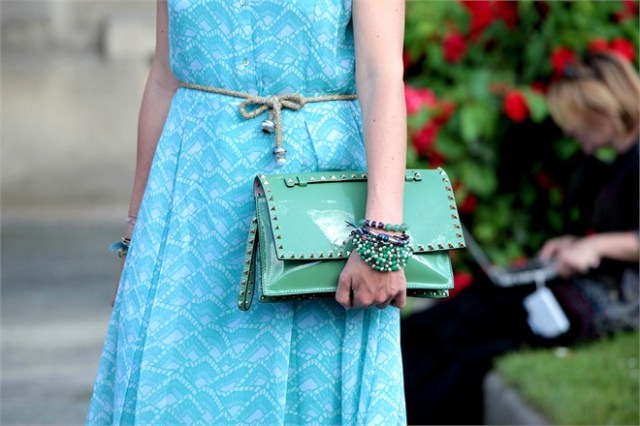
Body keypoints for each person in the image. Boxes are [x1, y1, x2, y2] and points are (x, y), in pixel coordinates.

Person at [86, 1, 409, 424]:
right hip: (189, 209)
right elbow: (165, 78)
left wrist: (380, 238)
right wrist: (135, 237)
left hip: (316, 211)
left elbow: (381, 74)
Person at [401, 50, 639, 425]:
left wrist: (596, 245)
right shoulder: (614, 161)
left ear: (602, 109)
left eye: (575, 118)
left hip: (619, 297)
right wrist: (573, 244)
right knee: (472, 305)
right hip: (592, 280)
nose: (570, 130)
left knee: (480, 339)